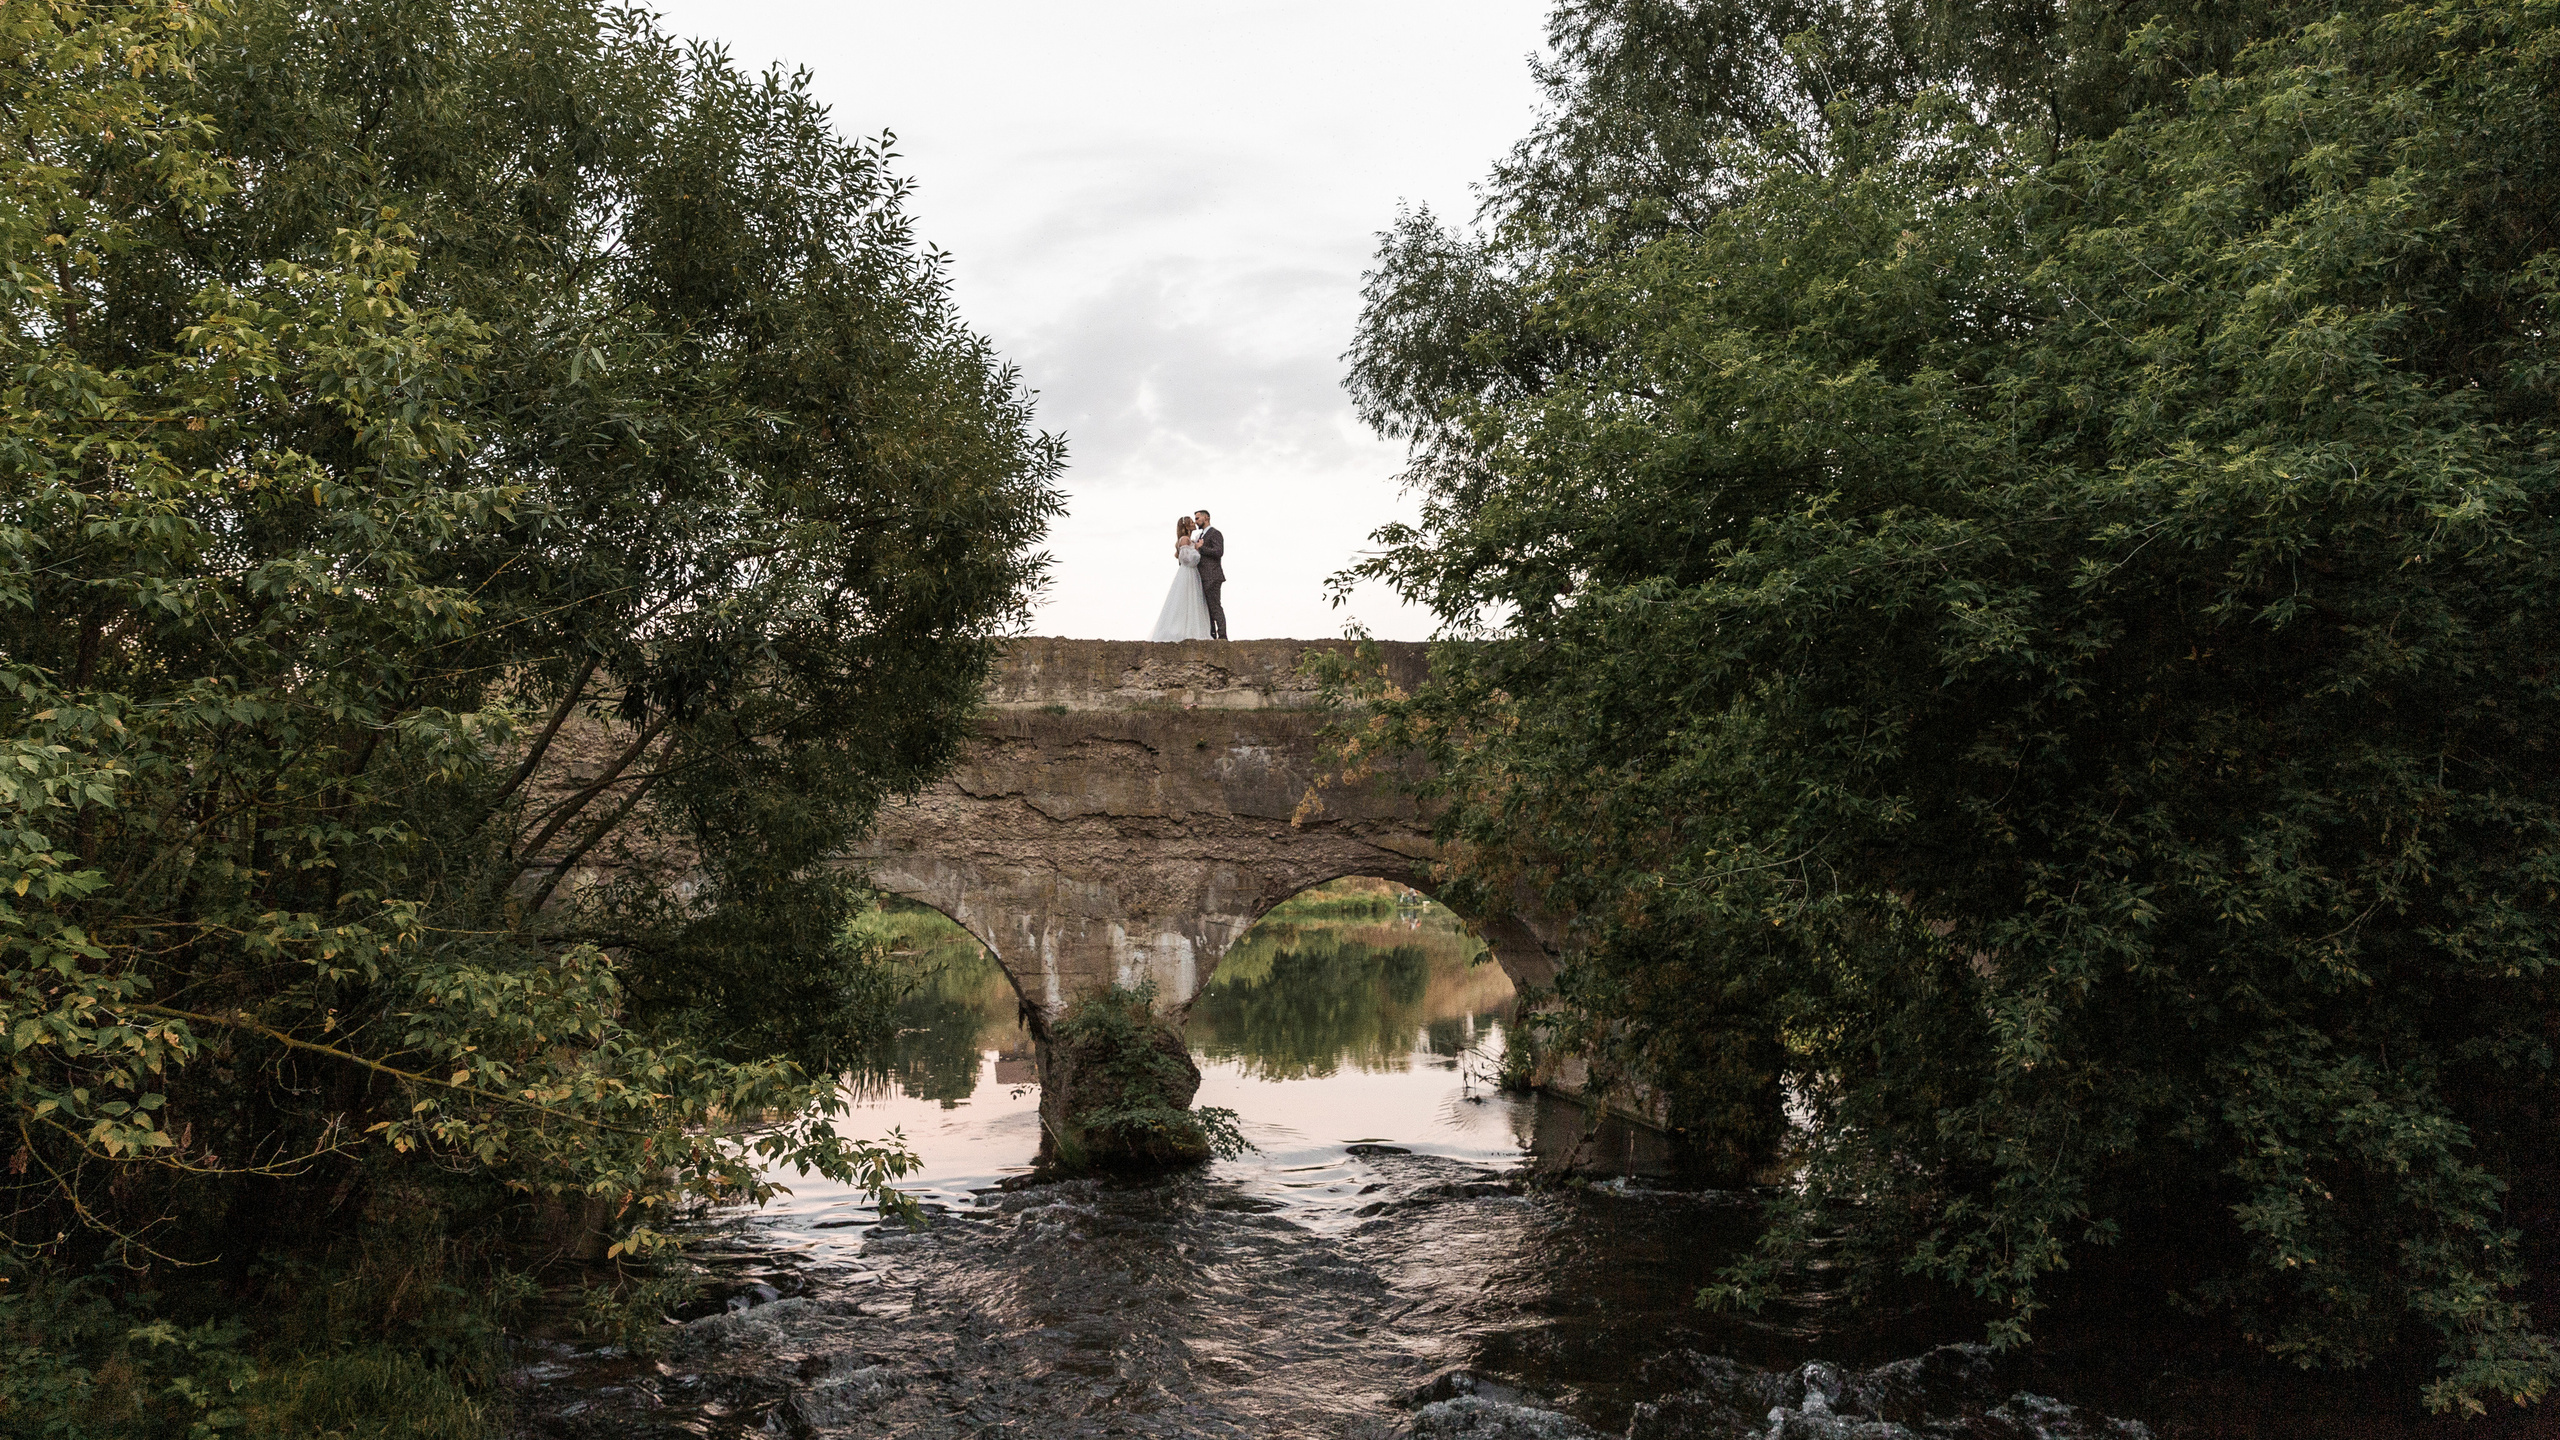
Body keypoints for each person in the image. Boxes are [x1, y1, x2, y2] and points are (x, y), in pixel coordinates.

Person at [1148, 514, 1214, 641]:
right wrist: (1196, 550)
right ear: (1187, 526)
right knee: (1186, 600)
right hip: (1188, 573)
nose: (1194, 523)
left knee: (1192, 600)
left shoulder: (1188, 539)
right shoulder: (1184, 539)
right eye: (1191, 521)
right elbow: (1185, 559)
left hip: (1192, 574)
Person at [1192, 508, 1227, 640]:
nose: (1196, 522)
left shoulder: (1215, 533)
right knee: (1207, 609)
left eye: (1197, 518)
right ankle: (1212, 636)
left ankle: (1222, 636)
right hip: (1203, 577)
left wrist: (1201, 548)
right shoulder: (1200, 536)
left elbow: (1218, 552)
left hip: (1213, 576)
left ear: (1206, 518)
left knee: (1215, 606)